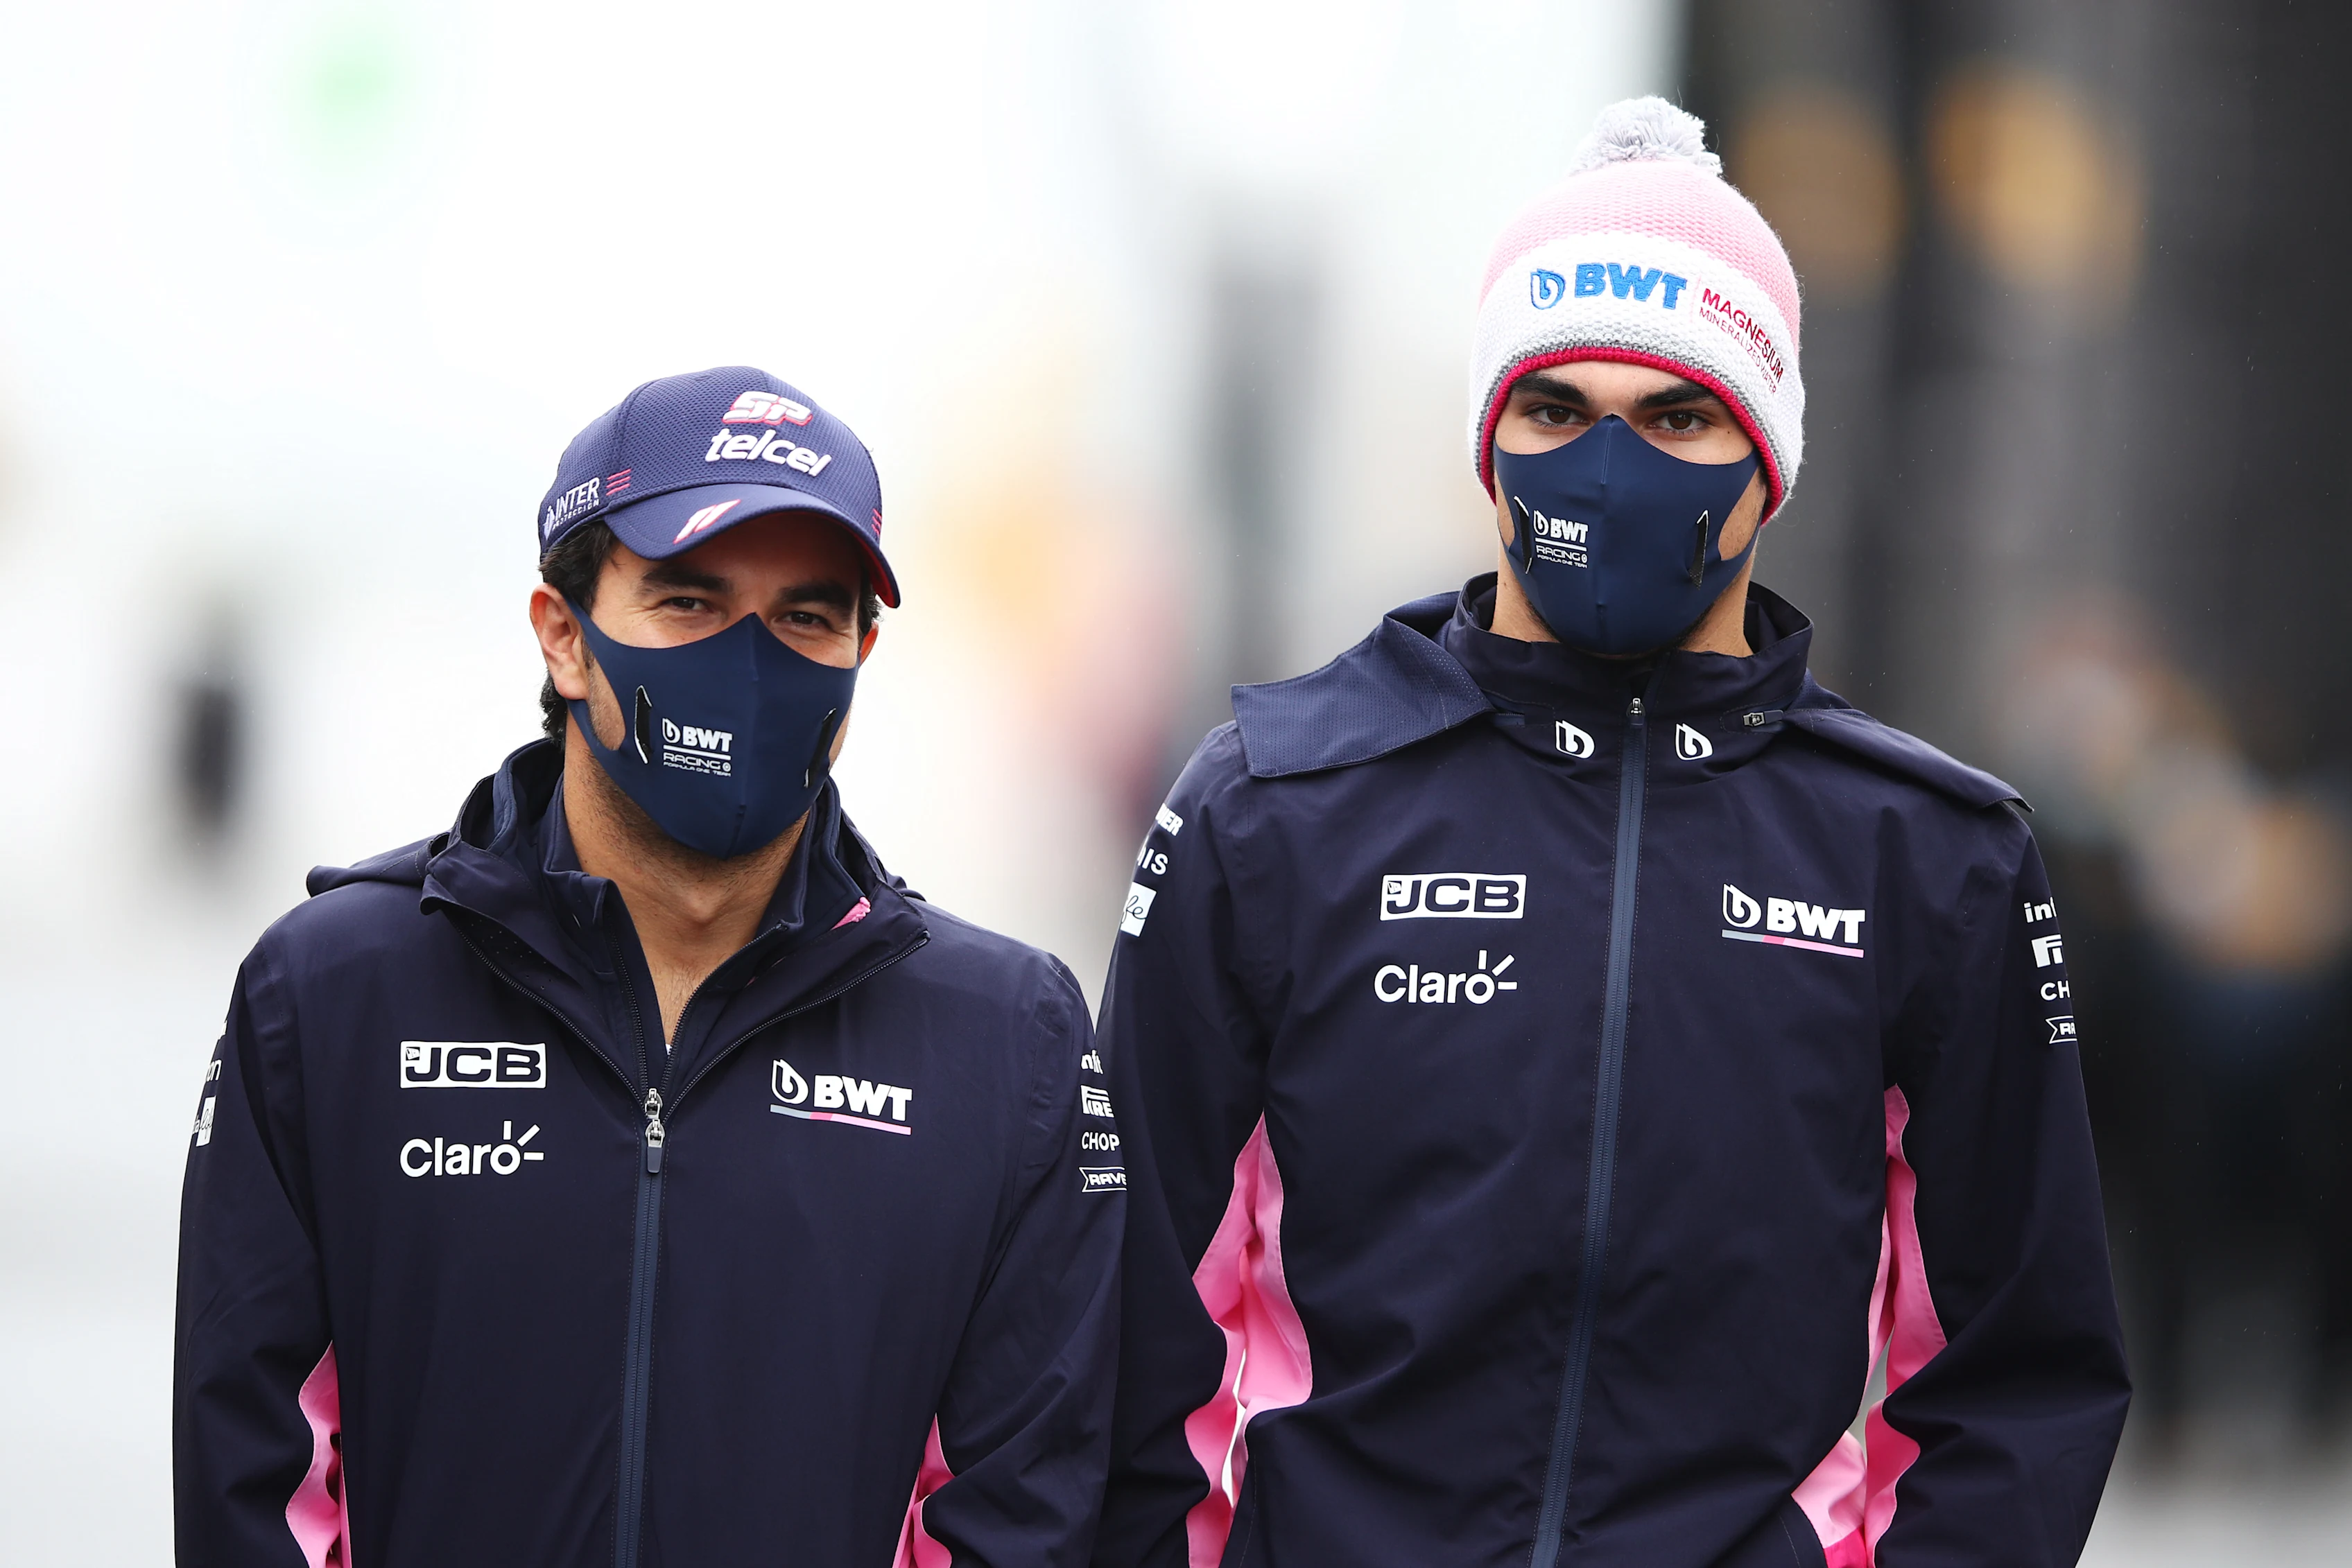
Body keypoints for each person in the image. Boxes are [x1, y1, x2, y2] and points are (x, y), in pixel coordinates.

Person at [1093, 100, 2129, 1568]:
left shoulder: (1929, 856)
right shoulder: (1270, 810)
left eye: (1677, 415)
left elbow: (2019, 1374)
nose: (1605, 466)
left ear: (1766, 456)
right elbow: (1128, 1334)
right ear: (1488, 441)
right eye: (1555, 409)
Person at [174, 367, 1124, 1567]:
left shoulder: (1007, 1042)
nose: (752, 660)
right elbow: (255, 1490)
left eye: (808, 616)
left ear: (862, 653)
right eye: (688, 600)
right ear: (563, 634)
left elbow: (1015, 1516)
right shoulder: (331, 995)